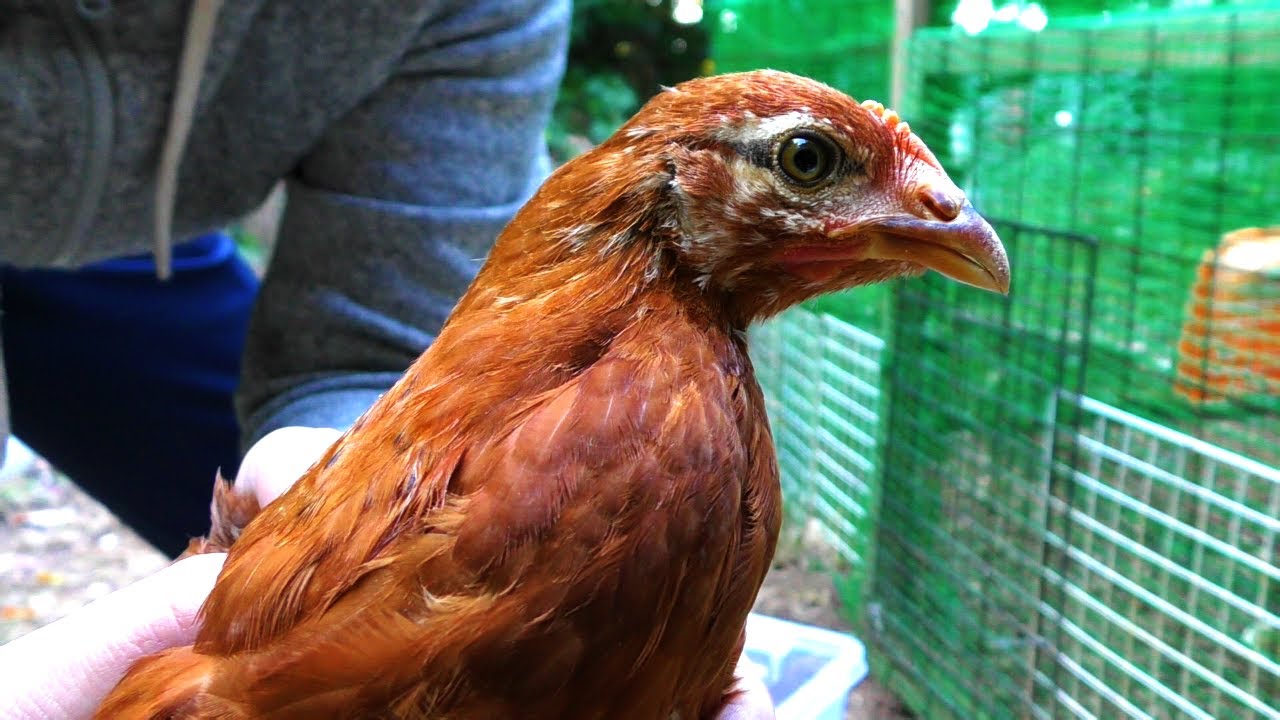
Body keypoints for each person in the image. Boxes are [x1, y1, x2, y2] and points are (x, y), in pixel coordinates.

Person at [0, 2, 774, 716]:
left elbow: (374, 328)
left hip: (140, 258)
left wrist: (352, 490)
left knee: (324, 564)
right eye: (804, 162)